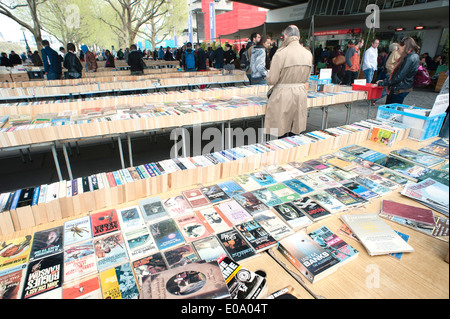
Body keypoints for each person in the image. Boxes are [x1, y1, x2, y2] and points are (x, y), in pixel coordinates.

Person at [265, 25, 312, 138]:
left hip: (283, 94)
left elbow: (272, 79)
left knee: (280, 129)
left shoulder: (281, 53)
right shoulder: (308, 53)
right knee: (296, 128)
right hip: (301, 92)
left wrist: (268, 76)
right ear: (298, 37)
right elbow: (307, 76)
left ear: (286, 36)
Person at [377, 37, 419, 104]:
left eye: (399, 48)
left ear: (405, 46)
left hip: (399, 88)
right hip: (401, 87)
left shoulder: (409, 58)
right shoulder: (413, 56)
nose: (398, 50)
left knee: (391, 109)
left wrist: (383, 83)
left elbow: (399, 76)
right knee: (392, 108)